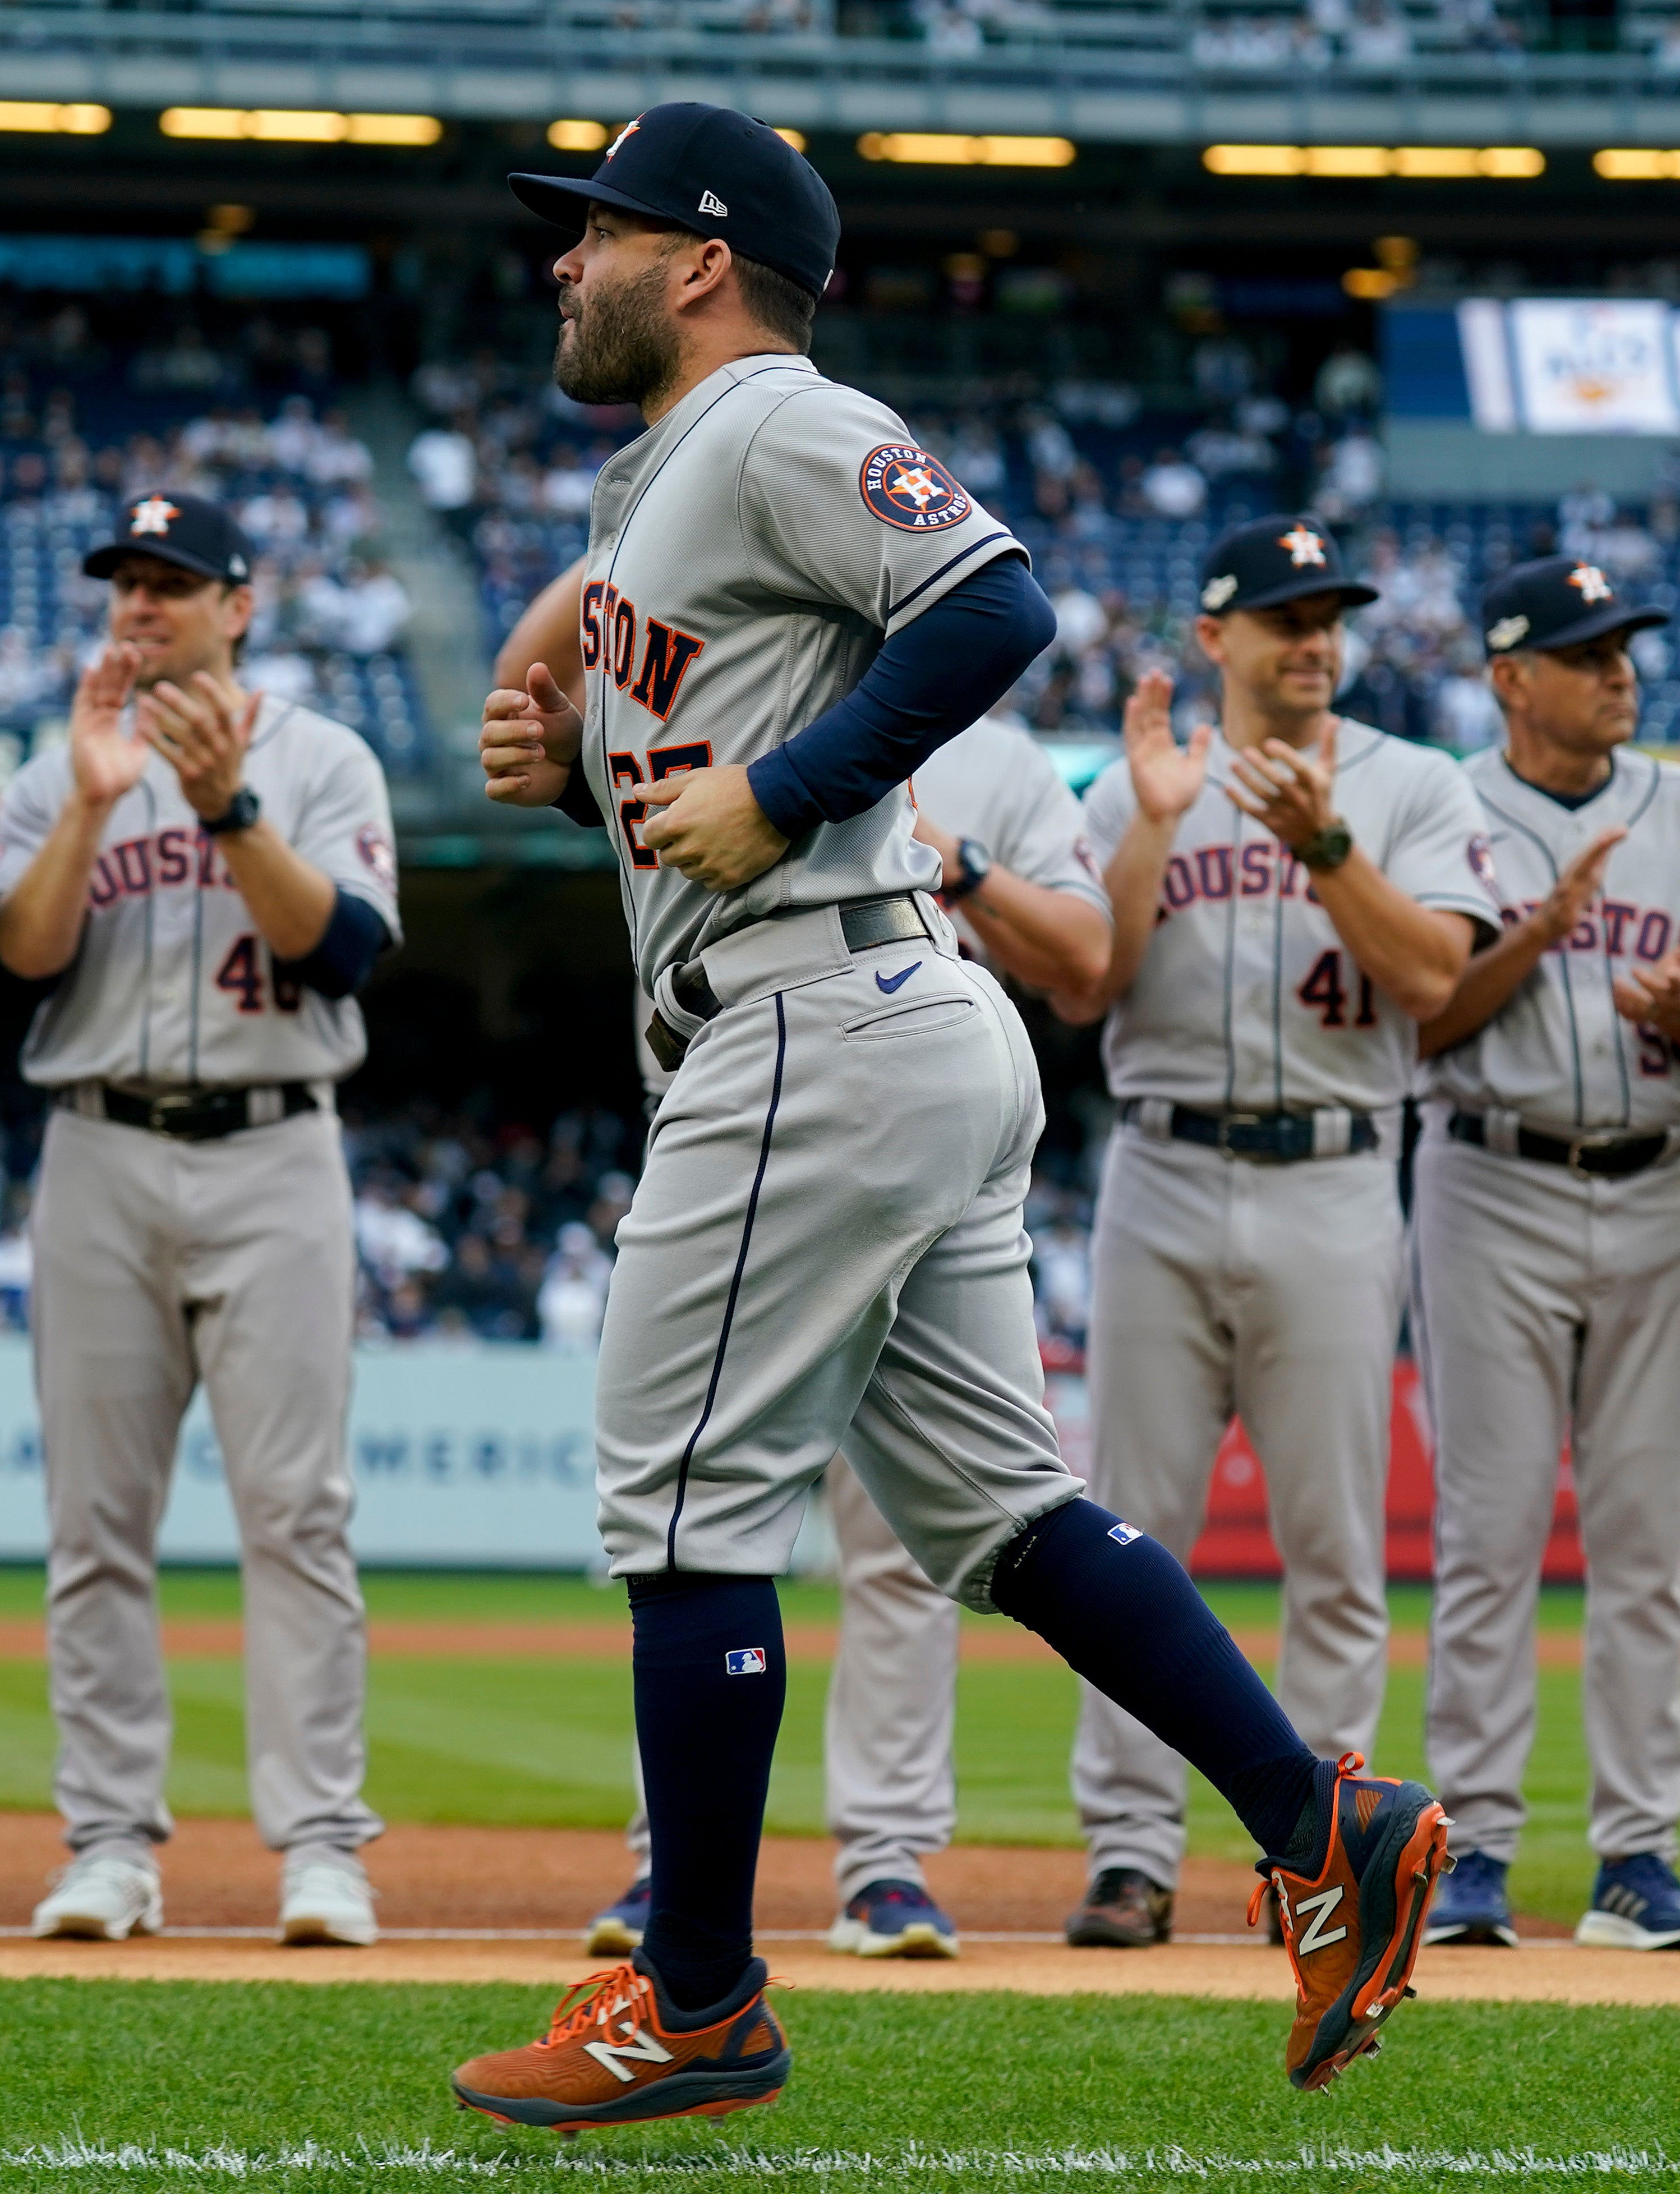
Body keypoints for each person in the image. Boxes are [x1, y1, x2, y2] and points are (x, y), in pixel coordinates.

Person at [462, 104, 1448, 2132]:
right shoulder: (667, 478)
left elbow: (996, 605)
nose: (562, 263)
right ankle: (1320, 1817)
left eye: (600, 233)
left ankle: (702, 1994)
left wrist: (795, 786)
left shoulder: (775, 422)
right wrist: (580, 770)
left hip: (820, 1012)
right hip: (874, 1012)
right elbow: (698, 780)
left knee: (676, 1504)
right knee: (1001, 1514)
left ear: (706, 260)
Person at [495, 567, 1116, 1962]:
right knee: (768, 1518)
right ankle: (674, 1876)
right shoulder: (740, 681)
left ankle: (869, 1870)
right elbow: (552, 686)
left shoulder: (1003, 756)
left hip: (888, 1101)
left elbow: (1086, 958)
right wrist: (619, 558)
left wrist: (954, 863)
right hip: (742, 1097)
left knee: (827, 1532)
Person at [1050, 516, 1494, 1951]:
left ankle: (1325, 1844)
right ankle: (1128, 1850)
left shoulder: (1412, 786)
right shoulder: (1138, 784)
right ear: (1213, 641)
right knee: (1130, 1526)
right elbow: (1085, 986)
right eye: (1284, 615)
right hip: (1162, 1168)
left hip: (1335, 1172)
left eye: (1329, 616)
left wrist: (1328, 848)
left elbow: (1435, 975)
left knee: (1331, 1542)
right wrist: (1157, 821)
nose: (1313, 638)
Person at [0, 490, 403, 1949]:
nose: (139, 607)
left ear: (240, 605)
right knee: (94, 1525)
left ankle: (320, 1852)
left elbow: (341, 953)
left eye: (171, 584)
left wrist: (227, 809)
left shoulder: (325, 757)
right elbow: (22, 963)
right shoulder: (58, 772)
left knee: (298, 1518)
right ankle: (107, 1843)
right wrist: (96, 801)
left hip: (276, 1149)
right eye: (123, 585)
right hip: (97, 1148)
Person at [1407, 555, 1680, 1954]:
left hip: (1660, 1180)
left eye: (1623, 647)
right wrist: (1537, 935)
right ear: (1508, 677)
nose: (1619, 670)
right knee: (1487, 1536)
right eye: (1586, 648)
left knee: (1643, 1544)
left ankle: (1636, 1856)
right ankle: (1474, 1844)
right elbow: (1416, 1025)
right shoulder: (1442, 810)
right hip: (1490, 1176)